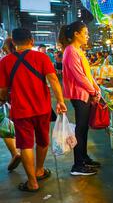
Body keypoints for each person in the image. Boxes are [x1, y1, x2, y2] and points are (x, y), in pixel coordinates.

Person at [0, 29, 67, 191]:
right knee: (43, 141)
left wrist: (4, 99)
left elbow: (2, 89)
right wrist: (60, 101)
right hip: (42, 108)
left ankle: (32, 183)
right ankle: (39, 170)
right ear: (31, 40)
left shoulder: (5, 62)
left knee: (25, 145)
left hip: (21, 110)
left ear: (14, 43)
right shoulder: (42, 57)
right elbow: (53, 80)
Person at [59, 21, 101, 176]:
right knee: (80, 130)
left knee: (83, 129)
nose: (87, 36)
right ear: (76, 34)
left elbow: (88, 75)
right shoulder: (70, 51)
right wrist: (93, 91)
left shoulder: (78, 50)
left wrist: (96, 88)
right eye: (85, 33)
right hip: (79, 95)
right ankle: (78, 165)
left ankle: (84, 158)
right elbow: (79, 77)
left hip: (85, 94)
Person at [1, 37, 21, 172]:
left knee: (4, 126)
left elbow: (2, 86)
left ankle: (15, 153)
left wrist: (3, 97)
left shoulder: (5, 61)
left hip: (9, 99)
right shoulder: (25, 58)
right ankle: (17, 152)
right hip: (21, 100)